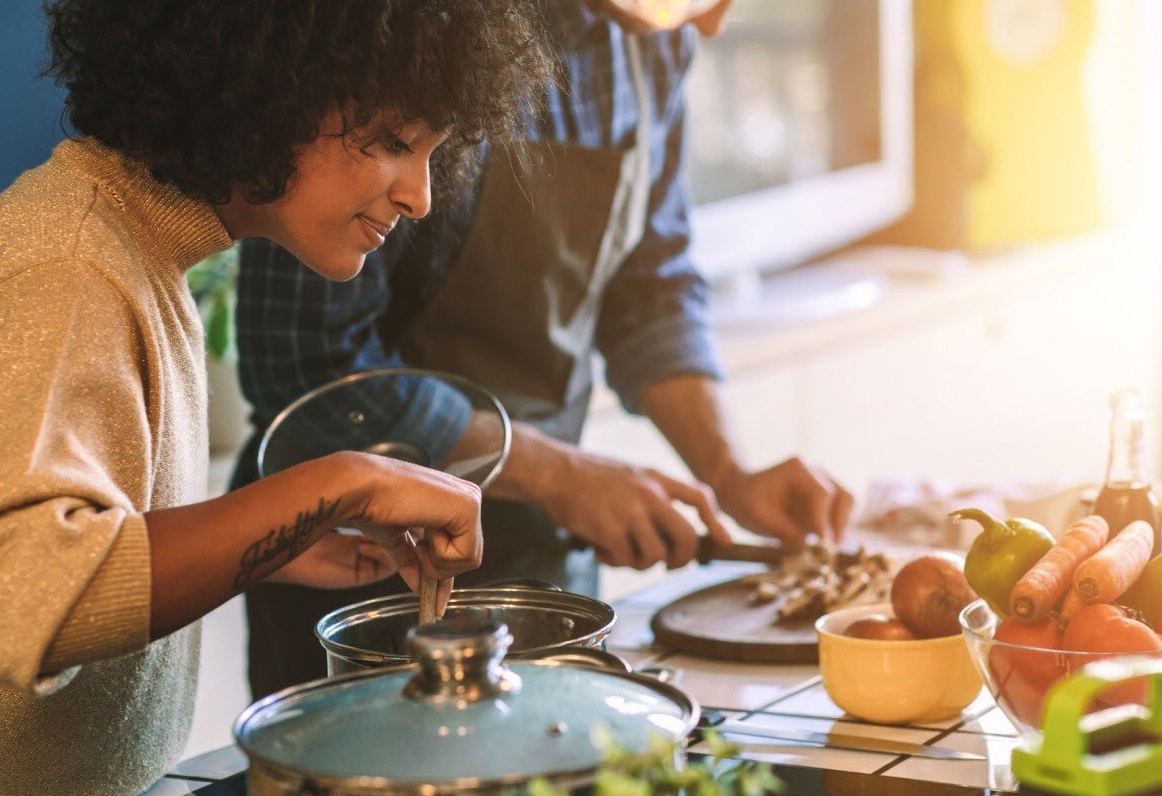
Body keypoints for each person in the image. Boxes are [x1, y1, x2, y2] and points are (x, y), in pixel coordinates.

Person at [0, 0, 550, 796]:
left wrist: (275, 538)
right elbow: (22, 602)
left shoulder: (133, 249)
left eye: (434, 152)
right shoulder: (67, 264)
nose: (419, 195)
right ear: (268, 89)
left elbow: (92, 537)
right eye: (389, 141)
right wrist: (342, 477)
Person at [231, 0, 856, 697]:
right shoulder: (403, 31)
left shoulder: (654, 43)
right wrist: (558, 476)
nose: (711, 25)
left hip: (542, 559)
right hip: (361, 580)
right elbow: (305, 365)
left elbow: (649, 285)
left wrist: (729, 471)